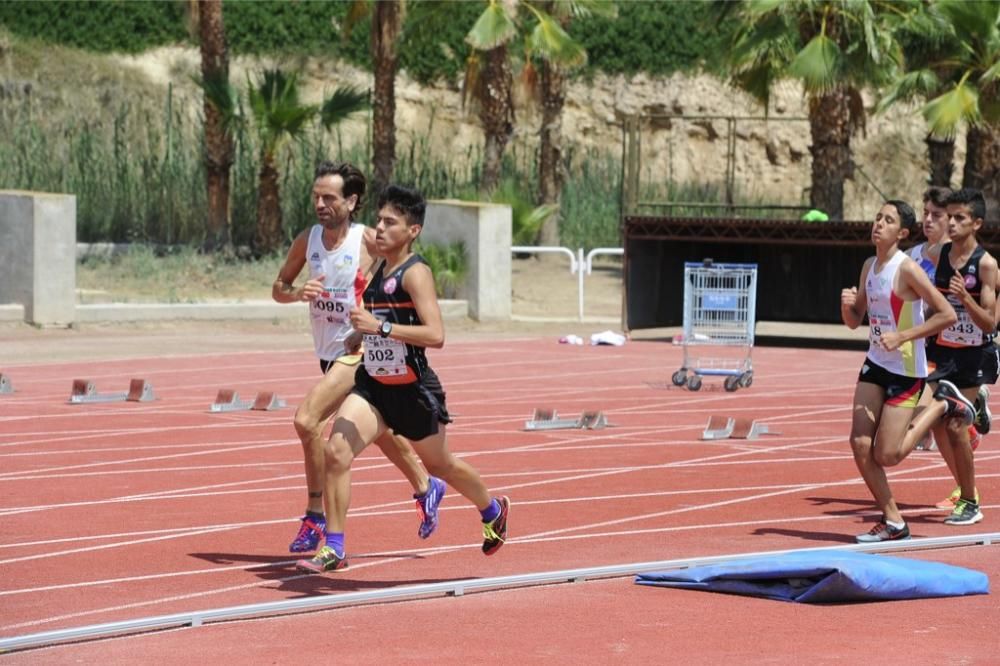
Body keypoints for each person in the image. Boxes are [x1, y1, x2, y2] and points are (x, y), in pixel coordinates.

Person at [296, 184, 510, 573]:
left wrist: (381, 328)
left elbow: (436, 335)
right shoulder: (378, 269)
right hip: (375, 387)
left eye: (390, 222)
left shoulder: (416, 273)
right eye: (378, 219)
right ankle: (335, 547)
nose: (379, 227)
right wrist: (360, 334)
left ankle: (492, 510)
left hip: (412, 391)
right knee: (336, 451)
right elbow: (378, 324)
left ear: (412, 231)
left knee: (442, 466)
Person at [272, 162, 446, 553]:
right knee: (380, 430)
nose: (320, 204)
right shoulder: (308, 240)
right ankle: (426, 485)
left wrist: (381, 326)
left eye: (329, 197)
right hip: (327, 353)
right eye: (316, 196)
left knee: (307, 420)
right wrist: (298, 292)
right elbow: (278, 287)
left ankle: (316, 517)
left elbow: (404, 277)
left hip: (360, 351)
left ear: (351, 202)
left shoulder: (370, 239)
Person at [841, 199, 957, 543]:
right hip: (876, 363)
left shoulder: (907, 269)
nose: (878, 223)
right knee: (860, 443)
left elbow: (946, 314)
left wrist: (904, 335)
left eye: (887, 220)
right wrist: (846, 306)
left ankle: (940, 405)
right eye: (877, 217)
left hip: (906, 369)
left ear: (902, 232)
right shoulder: (868, 266)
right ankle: (894, 522)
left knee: (887, 454)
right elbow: (854, 321)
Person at [883, 188, 997, 527]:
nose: (952, 223)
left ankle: (969, 501)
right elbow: (930, 293)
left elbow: (990, 322)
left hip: (975, 356)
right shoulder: (937, 253)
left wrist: (966, 299)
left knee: (955, 426)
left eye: (960, 218)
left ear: (976, 223)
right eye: (951, 217)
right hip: (941, 351)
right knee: (930, 418)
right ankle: (967, 485)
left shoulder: (987, 265)